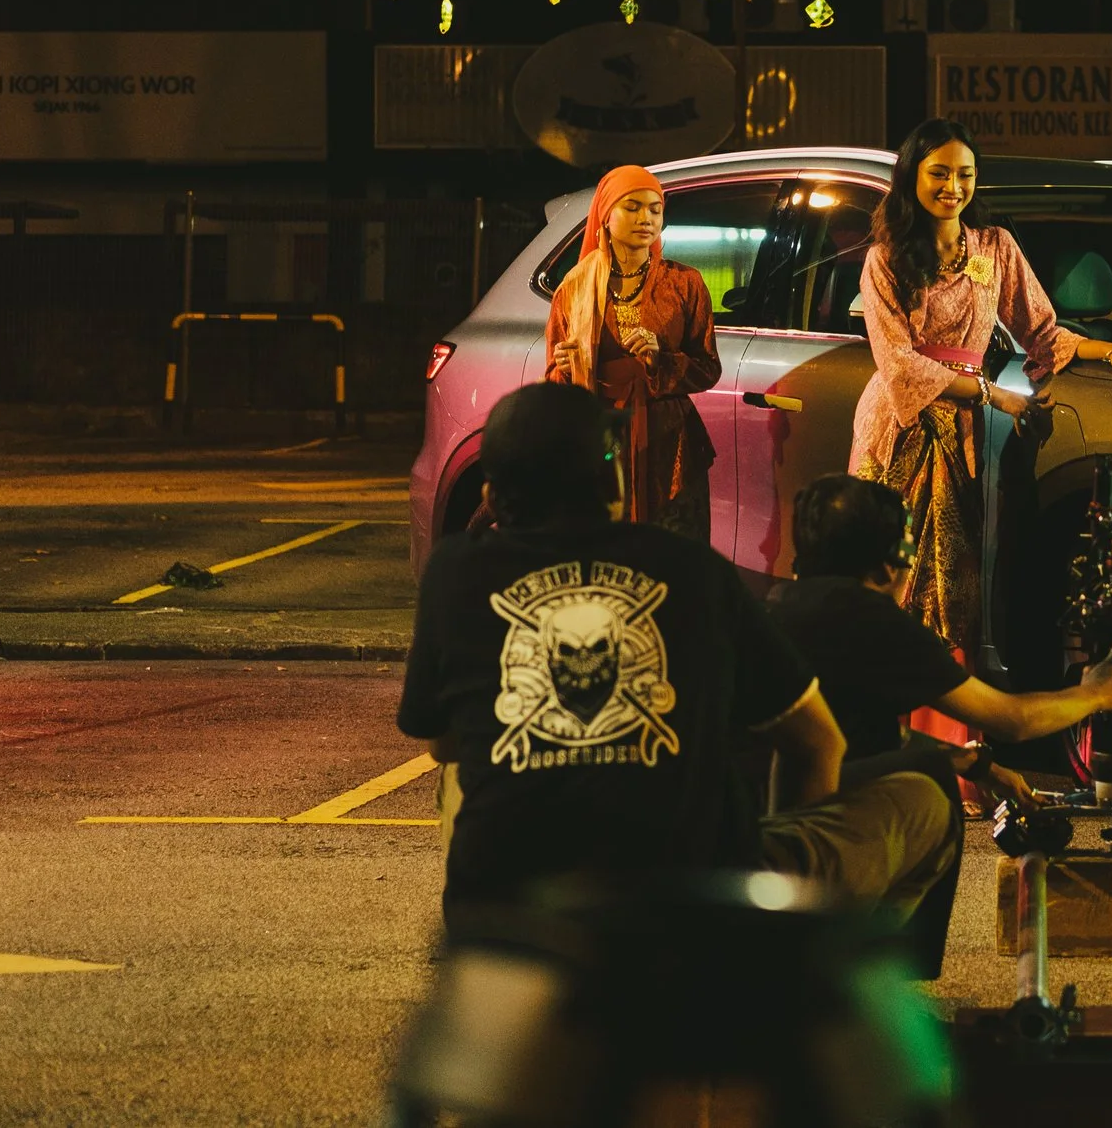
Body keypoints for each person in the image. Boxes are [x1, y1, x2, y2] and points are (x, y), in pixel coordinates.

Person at [397, 382, 957, 933]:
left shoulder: (454, 573)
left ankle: (484, 929)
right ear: (613, 482)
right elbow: (818, 741)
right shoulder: (695, 569)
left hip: (510, 924)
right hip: (695, 912)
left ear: (491, 497)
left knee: (456, 774)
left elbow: (442, 742)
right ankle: (808, 977)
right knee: (922, 802)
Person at [766, 473, 1112, 975]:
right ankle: (852, 978)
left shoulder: (780, 605)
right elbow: (1010, 719)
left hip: (735, 825)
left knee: (928, 765)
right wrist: (1095, 692)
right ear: (892, 562)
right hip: (784, 849)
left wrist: (975, 762)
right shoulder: (871, 620)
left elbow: (855, 734)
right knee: (929, 800)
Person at [851, 117, 1112, 649]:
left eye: (965, 175)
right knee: (886, 567)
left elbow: (1042, 330)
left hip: (962, 432)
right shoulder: (884, 258)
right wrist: (992, 393)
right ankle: (880, 709)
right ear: (911, 176)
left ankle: (952, 719)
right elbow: (899, 364)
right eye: (939, 173)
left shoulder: (995, 248)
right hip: (899, 426)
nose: (952, 188)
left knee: (956, 572)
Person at [543, 163, 720, 539]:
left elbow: (707, 368)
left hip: (668, 443)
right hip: (602, 442)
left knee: (672, 556)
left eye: (655, 210)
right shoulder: (573, 289)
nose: (647, 218)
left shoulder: (684, 283)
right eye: (633, 207)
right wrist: (563, 368)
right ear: (605, 217)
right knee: (607, 552)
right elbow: (555, 392)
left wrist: (661, 358)